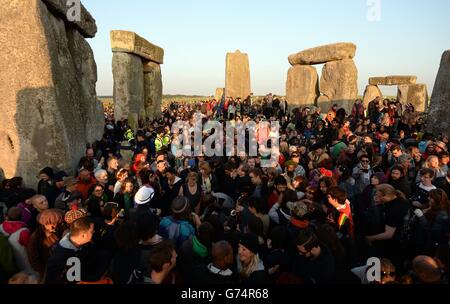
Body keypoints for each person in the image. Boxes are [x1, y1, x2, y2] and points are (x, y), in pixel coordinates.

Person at [365, 184, 410, 270]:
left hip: (395, 244)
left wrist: (370, 238)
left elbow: (388, 234)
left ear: (385, 196)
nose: (376, 197)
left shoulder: (394, 209)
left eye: (378, 196)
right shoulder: (398, 198)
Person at [45, 217, 95, 284]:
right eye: (92, 231)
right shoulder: (60, 257)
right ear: (83, 235)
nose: (94, 232)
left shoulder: (82, 245)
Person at [26, 209, 64, 278]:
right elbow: (34, 260)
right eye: (48, 224)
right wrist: (46, 273)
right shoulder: (36, 237)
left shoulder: (61, 228)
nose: (52, 226)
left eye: (54, 223)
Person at [0, 207, 32, 273]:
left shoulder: (0, 228)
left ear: (6, 216)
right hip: (26, 264)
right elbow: (31, 250)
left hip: (11, 266)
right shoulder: (24, 231)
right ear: (21, 217)